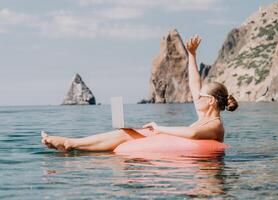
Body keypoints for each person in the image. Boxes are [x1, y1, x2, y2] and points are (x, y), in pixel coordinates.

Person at [41, 35, 238, 152]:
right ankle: (70, 143)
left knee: (127, 137)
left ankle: (70, 144)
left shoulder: (215, 125)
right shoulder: (205, 114)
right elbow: (195, 83)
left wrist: (158, 128)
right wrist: (193, 55)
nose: (195, 97)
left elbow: (192, 133)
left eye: (200, 96)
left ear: (211, 101)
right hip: (173, 147)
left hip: (199, 166)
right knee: (124, 132)